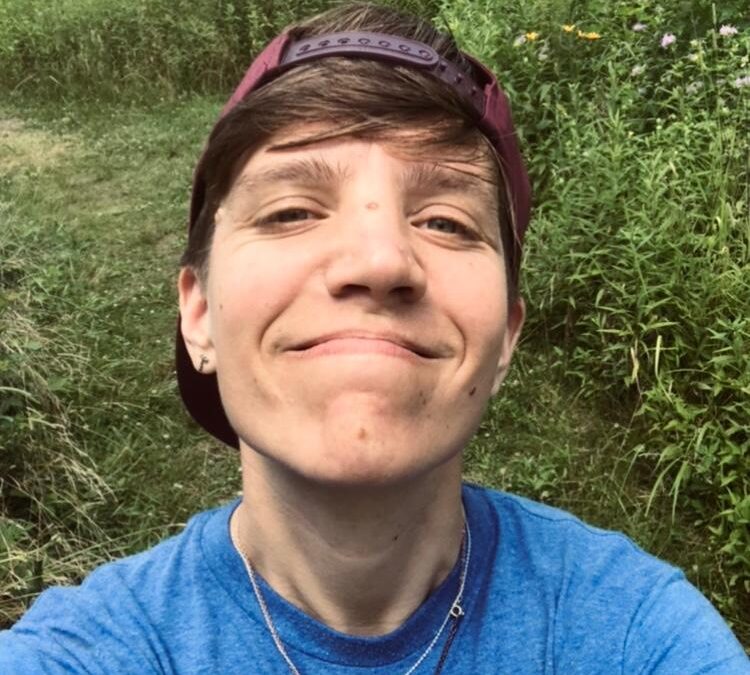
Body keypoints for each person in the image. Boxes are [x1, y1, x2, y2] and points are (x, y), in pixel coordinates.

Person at [1, 2, 747, 673]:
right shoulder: (88, 652)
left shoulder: (635, 634)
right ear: (198, 314)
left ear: (507, 336)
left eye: (446, 221)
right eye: (291, 212)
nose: (379, 260)